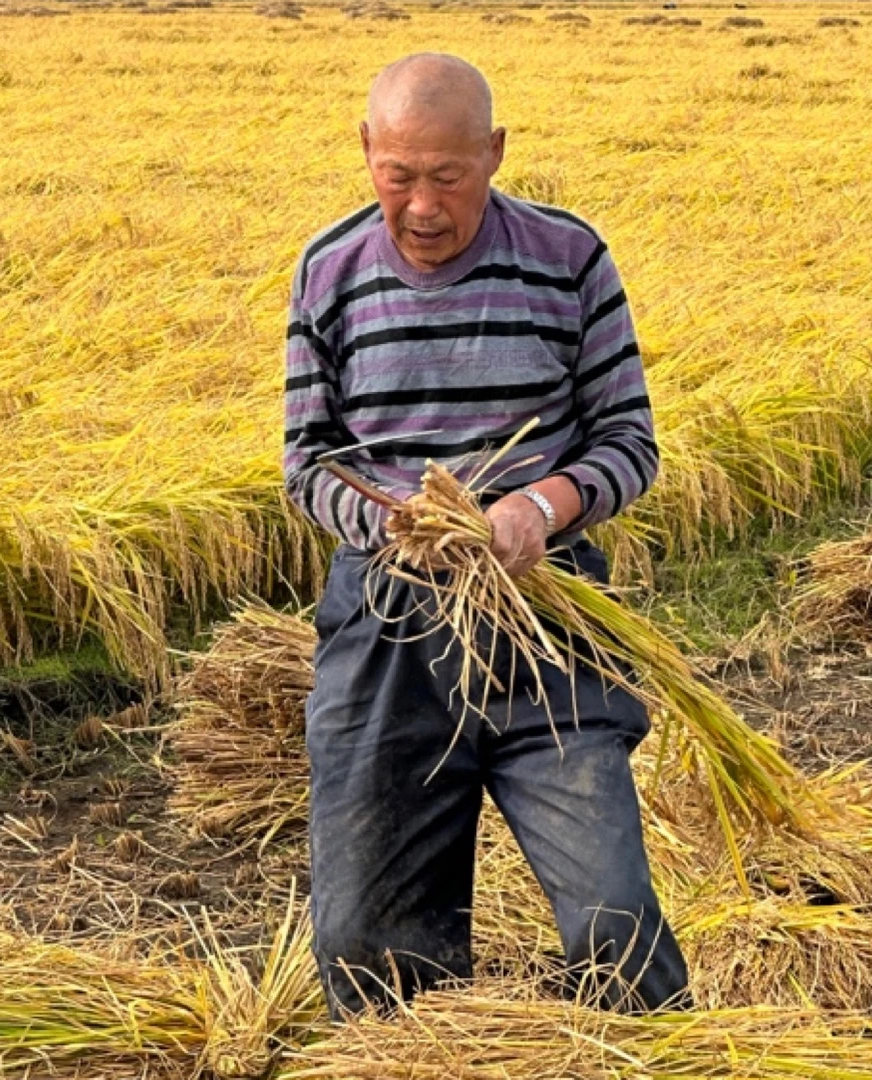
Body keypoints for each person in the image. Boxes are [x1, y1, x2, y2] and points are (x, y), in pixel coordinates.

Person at [284, 52, 689, 1019]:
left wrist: (537, 509)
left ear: (496, 154)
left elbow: (630, 442)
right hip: (388, 624)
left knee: (613, 922)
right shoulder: (328, 270)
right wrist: (391, 525)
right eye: (399, 175)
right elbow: (307, 462)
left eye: (450, 177)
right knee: (365, 946)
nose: (422, 206)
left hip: (546, 619)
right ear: (367, 151)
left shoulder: (569, 258)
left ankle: (665, 1050)